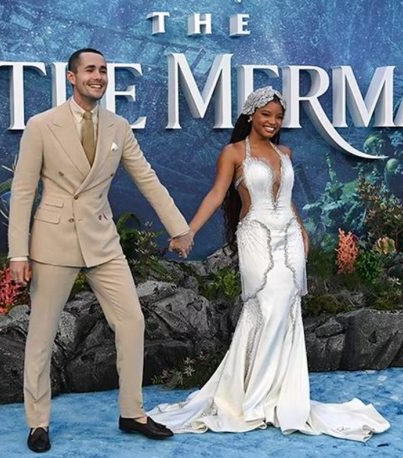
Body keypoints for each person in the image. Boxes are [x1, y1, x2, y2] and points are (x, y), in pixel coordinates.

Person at [148, 86, 390, 441]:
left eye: (278, 117)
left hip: (289, 238)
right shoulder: (233, 153)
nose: (273, 122)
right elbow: (217, 194)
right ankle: (250, 394)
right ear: (250, 115)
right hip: (256, 237)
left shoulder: (285, 152)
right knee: (265, 306)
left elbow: (288, 198)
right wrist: (188, 232)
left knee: (287, 310)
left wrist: (303, 230)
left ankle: (280, 394)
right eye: (266, 115)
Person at [8, 48, 193, 452]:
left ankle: (132, 413)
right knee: (41, 335)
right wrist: (17, 254)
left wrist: (178, 228)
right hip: (52, 240)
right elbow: (23, 192)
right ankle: (37, 423)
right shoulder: (41, 125)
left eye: (104, 70)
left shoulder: (118, 126)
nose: (99, 76)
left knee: (131, 322)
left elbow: (147, 178)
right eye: (90, 69)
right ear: (71, 77)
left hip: (102, 239)